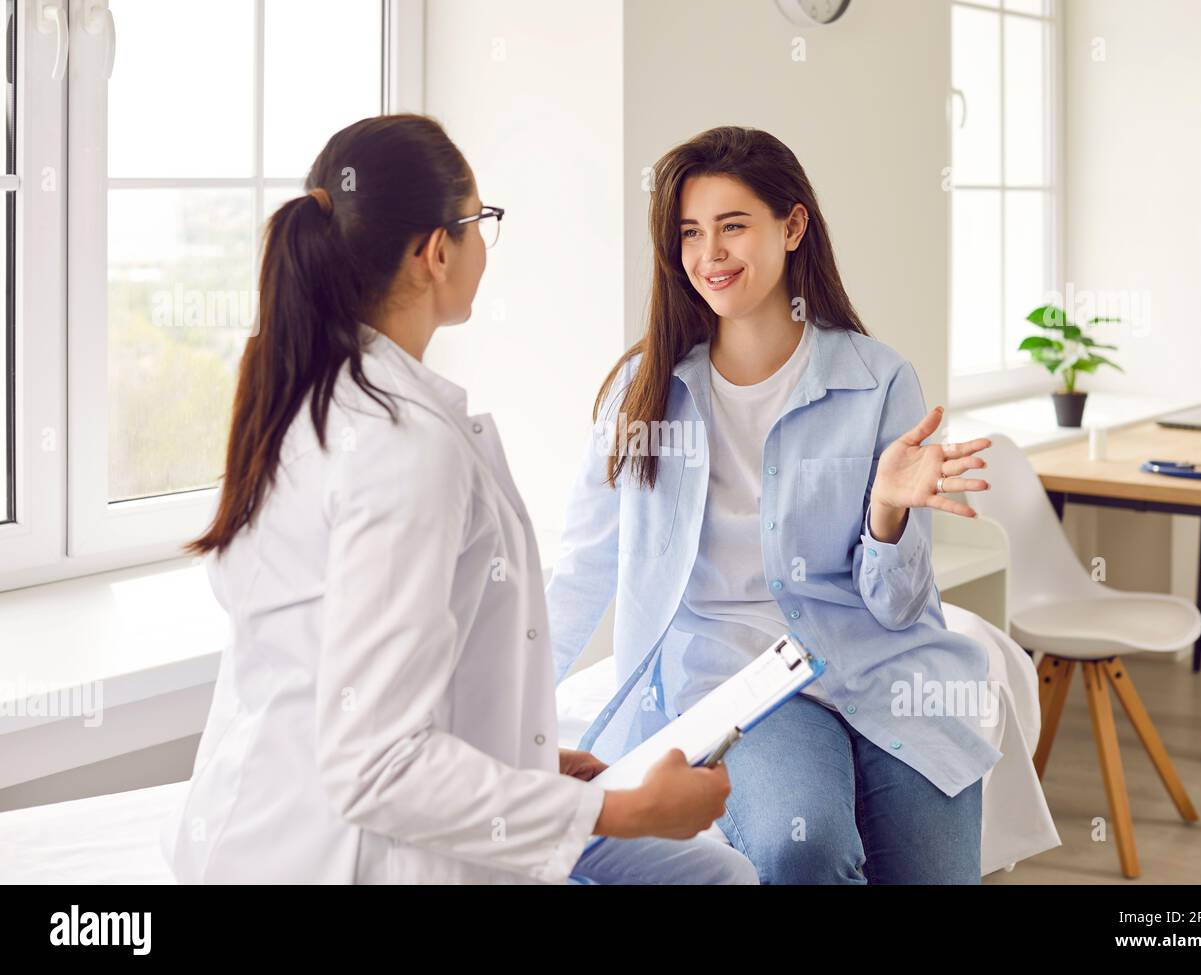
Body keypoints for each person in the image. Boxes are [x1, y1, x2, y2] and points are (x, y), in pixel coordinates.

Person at [160, 114, 757, 885]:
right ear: (436, 252)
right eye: (480, 223)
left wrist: (529, 754)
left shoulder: (303, 396)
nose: (485, 244)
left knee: (718, 875)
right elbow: (374, 765)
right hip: (344, 852)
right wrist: (622, 812)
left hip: (272, 819)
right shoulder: (401, 447)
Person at [547, 126, 1000, 884]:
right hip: (743, 686)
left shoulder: (879, 379)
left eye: (733, 226)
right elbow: (582, 570)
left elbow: (897, 605)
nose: (710, 254)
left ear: (792, 227)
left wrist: (886, 512)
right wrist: (501, 723)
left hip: (889, 670)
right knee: (804, 846)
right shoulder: (647, 393)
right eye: (691, 233)